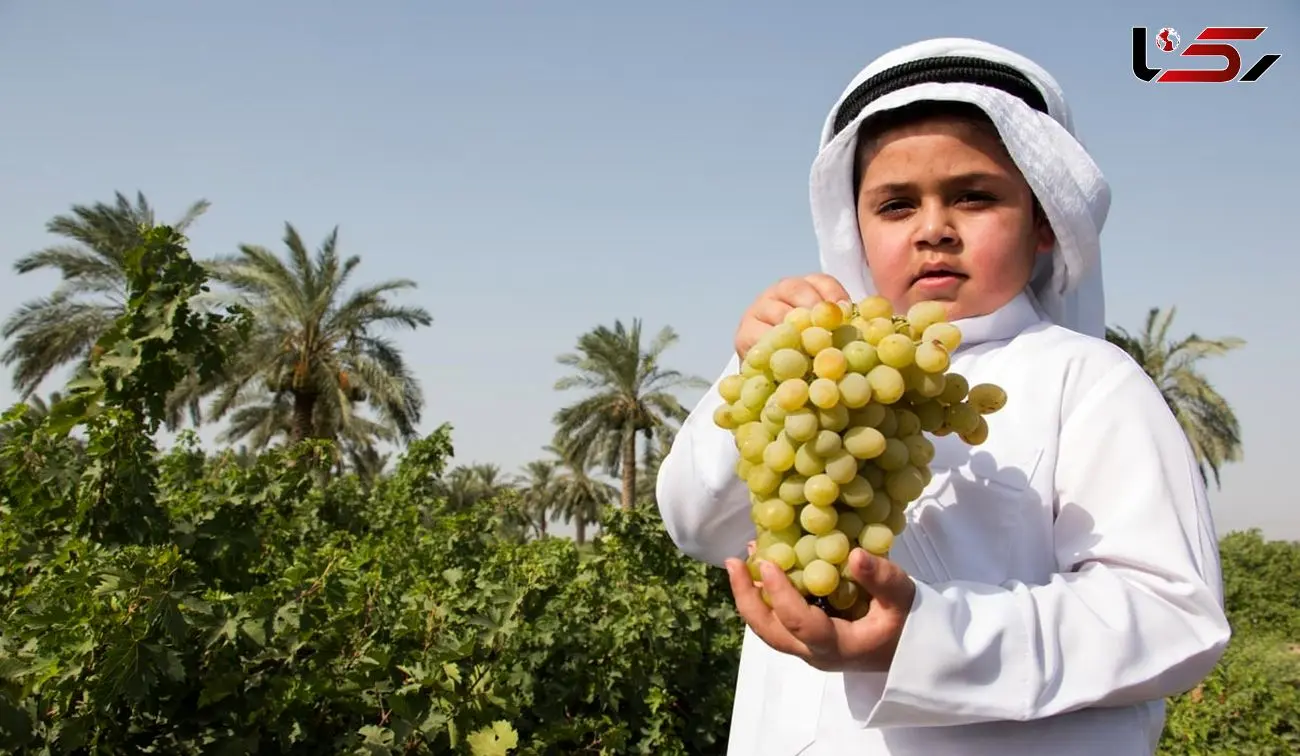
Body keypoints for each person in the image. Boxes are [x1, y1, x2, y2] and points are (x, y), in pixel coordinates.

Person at [655, 37, 1231, 756]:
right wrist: (749, 374)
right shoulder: (810, 373)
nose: (934, 229)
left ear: (1045, 222)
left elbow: (1174, 619)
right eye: (896, 206)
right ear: (855, 235)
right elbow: (694, 526)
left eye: (974, 196)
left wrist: (927, 639)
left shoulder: (1092, 382)